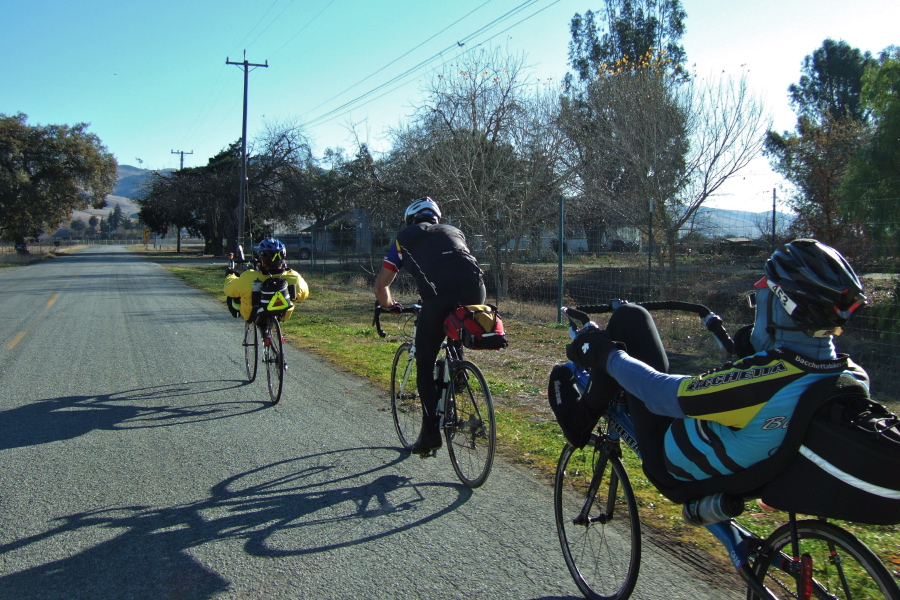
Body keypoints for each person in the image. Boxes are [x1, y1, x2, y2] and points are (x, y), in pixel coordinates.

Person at [566, 239, 869, 492]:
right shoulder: (850, 376)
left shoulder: (765, 380)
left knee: (630, 318)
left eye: (760, 297)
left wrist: (604, 354)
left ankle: (577, 421)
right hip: (754, 466)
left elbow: (661, 395)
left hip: (675, 463)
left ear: (782, 305)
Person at [375, 197, 486, 454]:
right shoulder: (453, 231)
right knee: (456, 331)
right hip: (476, 290)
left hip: (438, 296)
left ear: (410, 220)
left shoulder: (404, 237)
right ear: (436, 217)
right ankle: (458, 371)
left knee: (425, 361)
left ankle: (431, 433)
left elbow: (382, 286)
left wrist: (389, 305)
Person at [224, 238, 309, 323]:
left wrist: (230, 274)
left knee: (232, 297)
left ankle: (239, 315)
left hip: (252, 315)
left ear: (261, 258)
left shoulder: (249, 276)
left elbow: (229, 289)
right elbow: (303, 295)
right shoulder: (293, 277)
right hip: (282, 315)